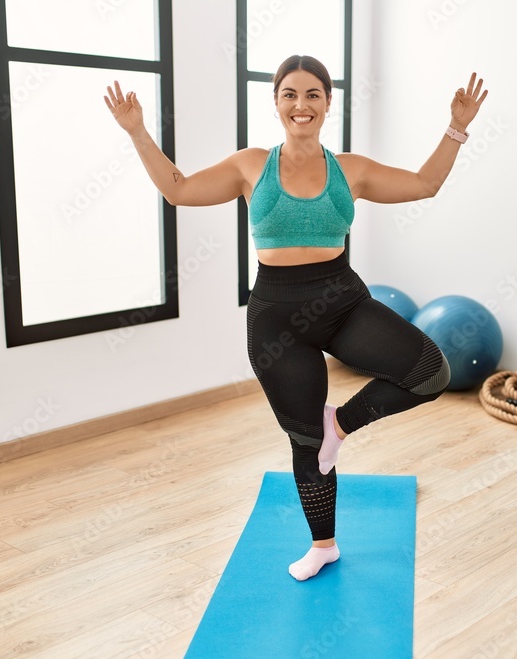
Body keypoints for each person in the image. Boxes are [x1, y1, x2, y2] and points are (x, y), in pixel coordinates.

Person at [105, 55, 488, 581]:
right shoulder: (250, 165)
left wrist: (457, 128)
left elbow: (425, 183)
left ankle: (340, 424)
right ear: (276, 102)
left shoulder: (350, 169)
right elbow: (180, 190)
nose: (301, 104)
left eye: (312, 94)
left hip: (343, 304)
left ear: (328, 103)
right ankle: (323, 545)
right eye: (290, 94)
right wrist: (137, 132)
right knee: (305, 442)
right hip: (276, 322)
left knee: (431, 372)